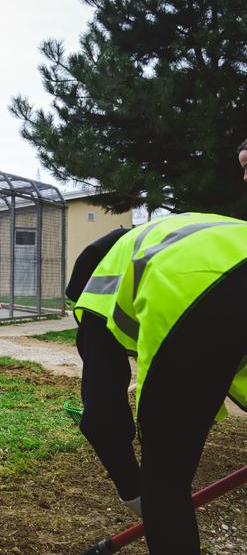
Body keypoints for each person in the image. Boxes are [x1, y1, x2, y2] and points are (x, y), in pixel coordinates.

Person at [67, 213, 247, 554]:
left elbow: (100, 418)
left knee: (166, 481)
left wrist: (141, 497)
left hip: (196, 291)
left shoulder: (98, 288)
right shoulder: (179, 231)